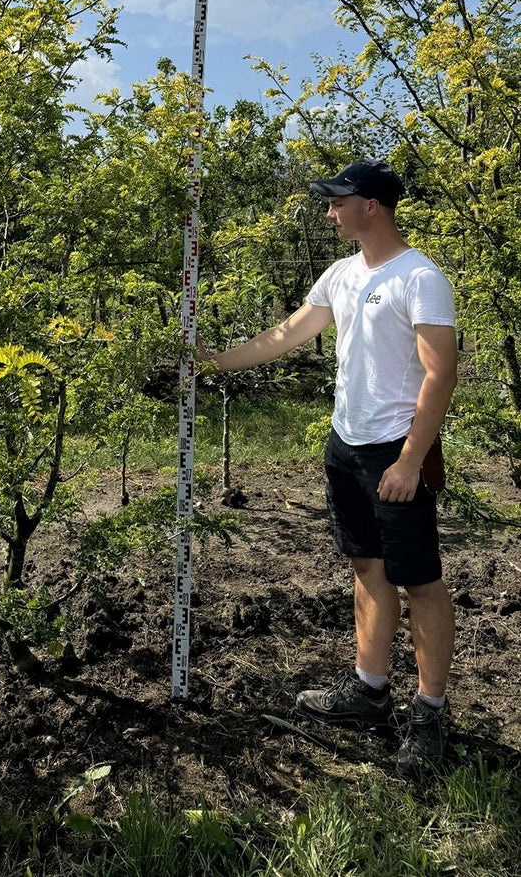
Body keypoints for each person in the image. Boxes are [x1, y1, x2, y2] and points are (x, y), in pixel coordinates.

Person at [206, 158, 458, 776]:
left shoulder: (419, 278)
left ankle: (430, 713)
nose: (329, 211)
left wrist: (409, 460)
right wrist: (208, 361)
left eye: (337, 201)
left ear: (371, 205)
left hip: (395, 454)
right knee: (367, 567)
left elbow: (440, 374)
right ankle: (370, 692)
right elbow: (286, 334)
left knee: (420, 582)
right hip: (345, 446)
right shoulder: (342, 274)